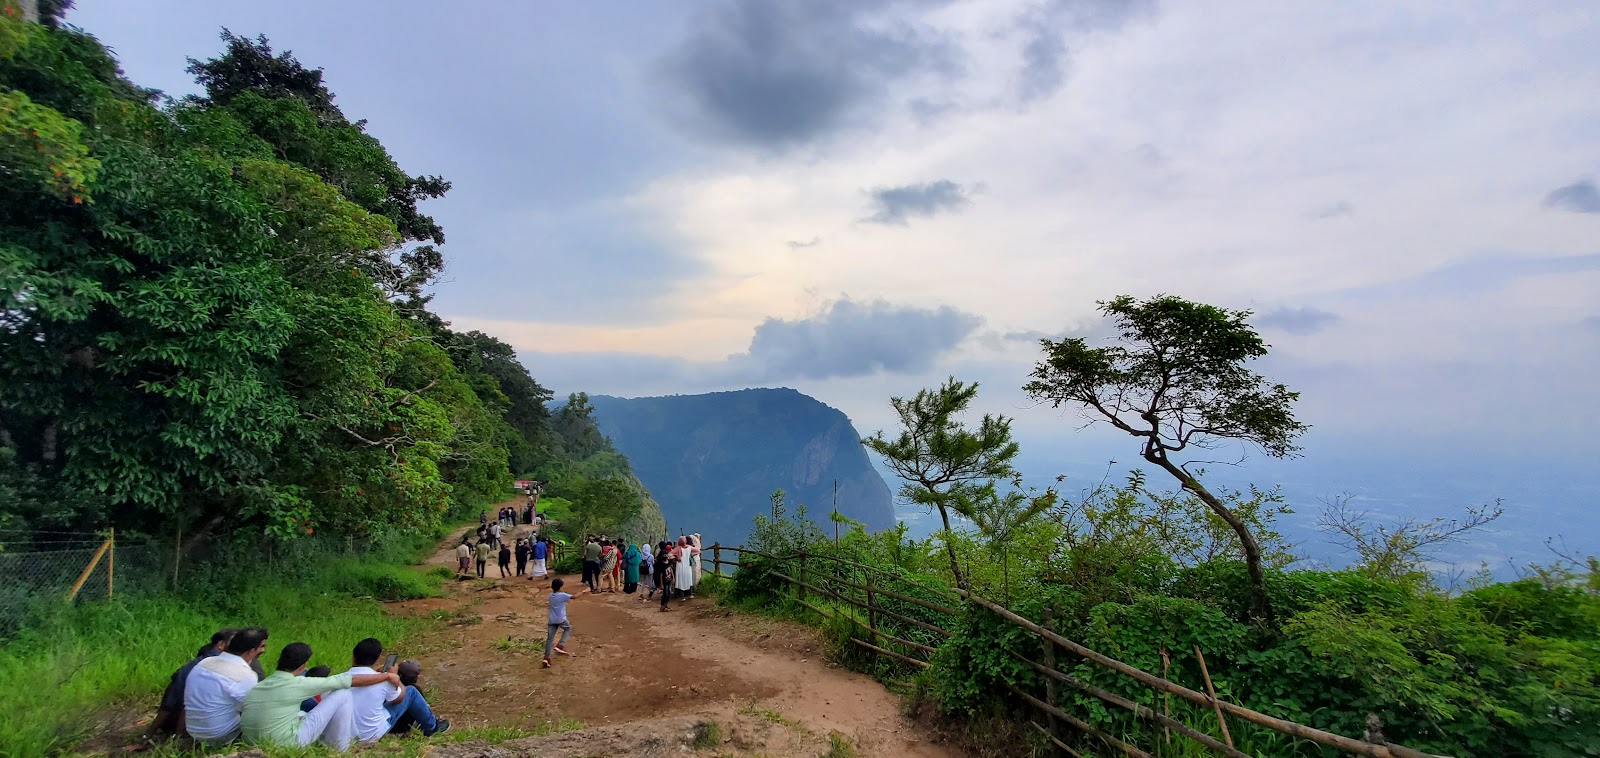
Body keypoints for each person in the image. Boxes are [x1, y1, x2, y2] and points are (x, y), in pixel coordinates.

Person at [240, 641, 399, 751]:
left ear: (277, 662)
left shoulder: (258, 686)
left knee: (302, 713)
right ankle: (341, 748)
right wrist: (386, 676)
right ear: (303, 666)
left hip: (252, 743)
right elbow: (349, 680)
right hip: (287, 744)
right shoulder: (299, 684)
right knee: (342, 693)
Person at [346, 637, 449, 743]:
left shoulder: (340, 679)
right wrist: (393, 676)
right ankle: (431, 727)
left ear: (353, 657)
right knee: (411, 691)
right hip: (371, 734)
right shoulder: (383, 680)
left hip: (347, 735)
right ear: (378, 659)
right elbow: (399, 698)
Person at [185, 627, 269, 745]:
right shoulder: (246, 675)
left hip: (193, 730)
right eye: (262, 646)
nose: (264, 650)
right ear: (251, 651)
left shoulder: (205, 662)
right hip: (219, 735)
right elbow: (252, 710)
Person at [150, 628, 237, 738]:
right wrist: (148, 735)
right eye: (235, 643)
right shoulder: (205, 667)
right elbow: (172, 702)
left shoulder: (213, 662)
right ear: (221, 645)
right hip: (181, 723)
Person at [542, 577, 579, 668]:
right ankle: (560, 645)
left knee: (549, 639)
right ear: (560, 587)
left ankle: (546, 658)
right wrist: (584, 591)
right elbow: (574, 597)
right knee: (568, 628)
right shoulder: (562, 595)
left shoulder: (551, 595)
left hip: (552, 620)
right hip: (561, 619)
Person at [658, 542, 676, 612]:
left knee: (667, 593)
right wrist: (661, 584)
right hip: (665, 581)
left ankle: (665, 605)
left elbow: (671, 570)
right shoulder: (663, 565)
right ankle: (663, 606)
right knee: (665, 593)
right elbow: (661, 574)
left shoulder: (668, 563)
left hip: (668, 580)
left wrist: (673, 578)